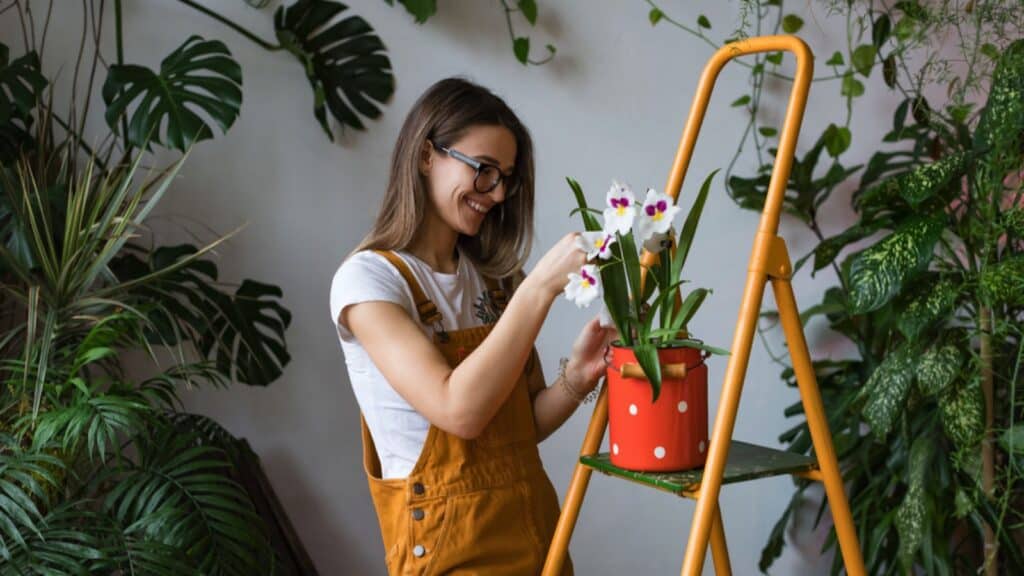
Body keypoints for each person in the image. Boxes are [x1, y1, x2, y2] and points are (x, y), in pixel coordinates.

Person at [330, 77, 616, 575]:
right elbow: (458, 411)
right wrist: (541, 287)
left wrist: (578, 377)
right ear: (425, 156)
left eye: (506, 177)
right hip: (449, 550)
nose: (497, 193)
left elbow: (519, 429)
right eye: (484, 170)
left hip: (535, 534)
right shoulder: (367, 282)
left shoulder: (495, 281)